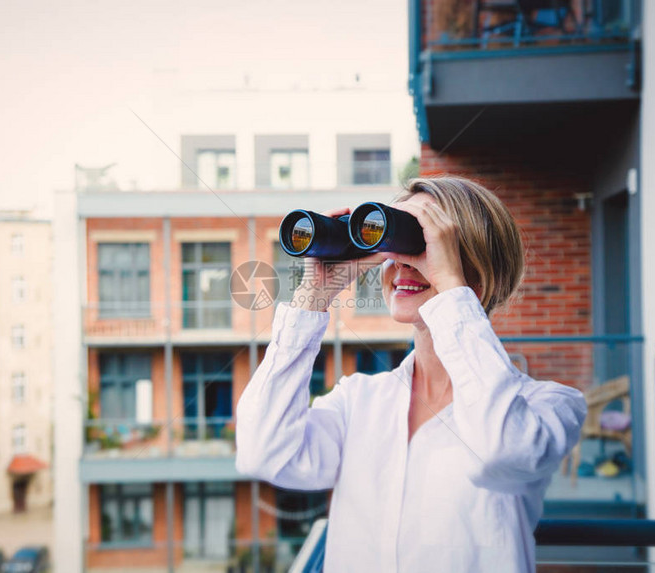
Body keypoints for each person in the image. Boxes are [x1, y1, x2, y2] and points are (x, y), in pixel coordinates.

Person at [235, 176, 587, 572]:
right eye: (395, 244)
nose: (401, 262)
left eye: (423, 244)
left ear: (478, 271)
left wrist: (452, 288)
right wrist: (313, 295)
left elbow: (500, 452)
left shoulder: (549, 406)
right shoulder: (359, 401)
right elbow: (262, 452)